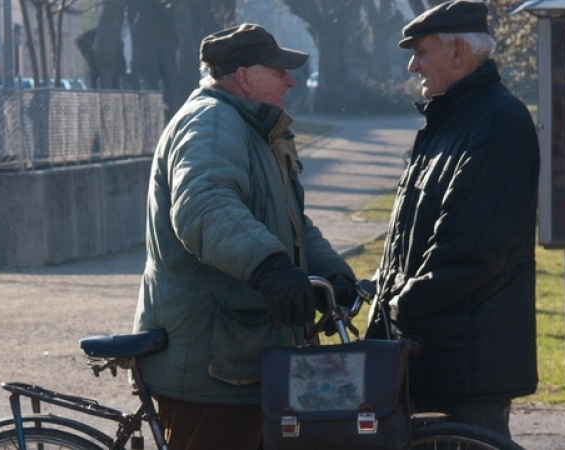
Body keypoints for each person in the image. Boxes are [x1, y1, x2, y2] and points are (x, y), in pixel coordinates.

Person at [132, 23, 357, 450]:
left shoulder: (253, 129)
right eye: (278, 70)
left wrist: (334, 274)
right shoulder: (212, 124)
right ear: (243, 76)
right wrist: (271, 267)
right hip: (212, 363)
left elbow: (291, 223)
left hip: (244, 352)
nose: (291, 80)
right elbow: (204, 207)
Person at [364, 0, 540, 439]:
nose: (411, 66)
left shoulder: (497, 123)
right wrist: (379, 291)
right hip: (433, 354)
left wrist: (398, 306)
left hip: (466, 365)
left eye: (421, 52)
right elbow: (412, 236)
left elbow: (471, 252)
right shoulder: (449, 119)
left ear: (458, 52)